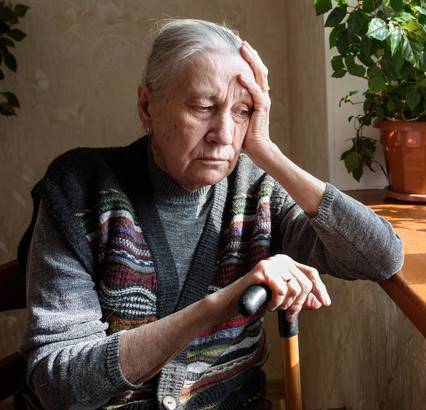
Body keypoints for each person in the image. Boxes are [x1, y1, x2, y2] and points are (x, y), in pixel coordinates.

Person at [18, 19, 404, 409]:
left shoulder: (256, 190)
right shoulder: (77, 191)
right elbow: (59, 383)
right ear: (147, 106)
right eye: (203, 107)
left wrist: (267, 152)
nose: (223, 133)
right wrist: (219, 305)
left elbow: (381, 256)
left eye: (242, 111)